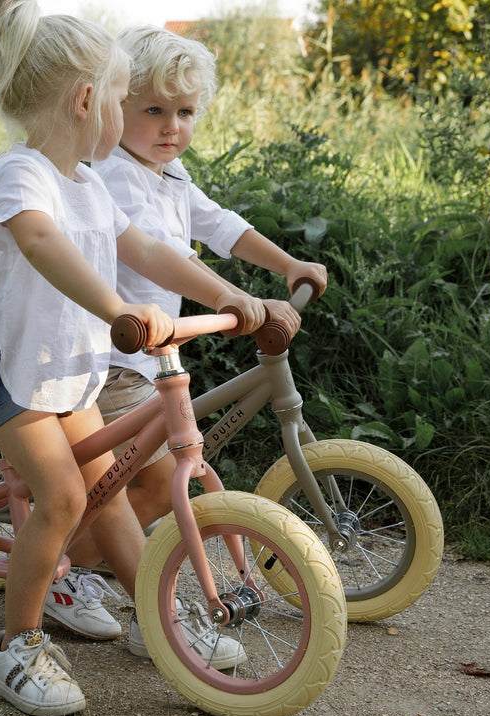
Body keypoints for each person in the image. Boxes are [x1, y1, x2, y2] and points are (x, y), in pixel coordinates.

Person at [0, 3, 268, 716]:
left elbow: (148, 249)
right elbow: (42, 245)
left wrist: (227, 292)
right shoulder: (21, 177)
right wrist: (118, 308)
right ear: (88, 100)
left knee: (106, 488)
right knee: (61, 497)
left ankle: (159, 617)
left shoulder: (87, 184)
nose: (121, 111)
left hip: (59, 362)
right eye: (122, 97)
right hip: (1, 366)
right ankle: (17, 646)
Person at [45, 25, 328, 656]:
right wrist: (234, 297)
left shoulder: (170, 174)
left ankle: (76, 566)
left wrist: (287, 265)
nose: (171, 126)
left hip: (150, 361)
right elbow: (154, 258)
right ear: (116, 108)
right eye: (153, 110)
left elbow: (219, 224)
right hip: (110, 361)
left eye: (185, 112)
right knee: (139, 482)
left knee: (148, 479)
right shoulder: (114, 175)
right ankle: (88, 581)